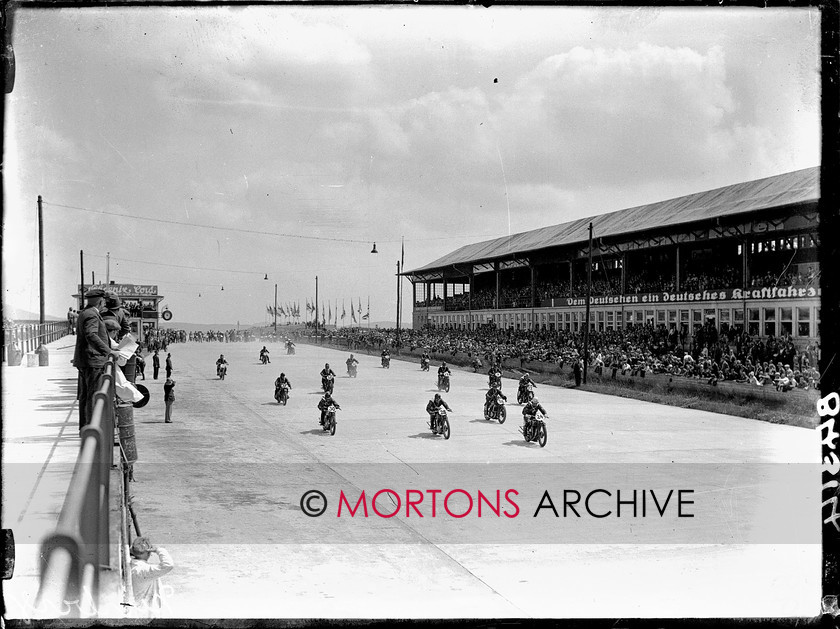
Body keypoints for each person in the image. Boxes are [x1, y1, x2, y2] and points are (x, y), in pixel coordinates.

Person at [73, 289, 121, 433]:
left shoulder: (85, 313)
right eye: (104, 301)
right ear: (101, 301)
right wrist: (109, 351)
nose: (105, 304)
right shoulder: (92, 314)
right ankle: (91, 430)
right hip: (93, 360)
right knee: (93, 396)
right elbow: (91, 335)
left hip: (86, 360)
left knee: (85, 396)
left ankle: (85, 427)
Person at [129, 536, 174, 617]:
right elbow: (168, 565)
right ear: (149, 552)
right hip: (146, 615)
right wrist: (158, 550)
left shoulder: (131, 566)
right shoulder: (144, 570)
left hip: (137, 611)